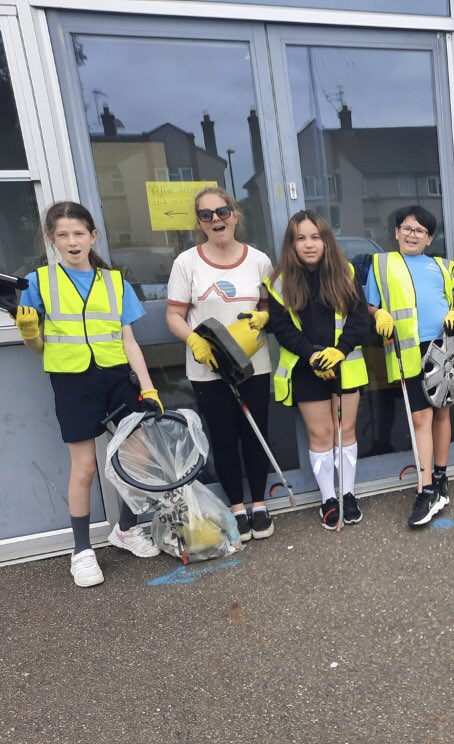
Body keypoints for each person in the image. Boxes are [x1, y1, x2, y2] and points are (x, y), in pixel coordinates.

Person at [14, 201, 163, 587]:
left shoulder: (115, 282)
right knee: (84, 467)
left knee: (137, 458)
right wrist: (31, 334)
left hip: (115, 377)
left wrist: (147, 386)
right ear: (52, 239)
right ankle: (81, 551)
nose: (72, 241)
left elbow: (129, 340)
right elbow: (37, 347)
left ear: (92, 236)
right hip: (72, 381)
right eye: (62, 234)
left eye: (79, 233)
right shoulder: (38, 282)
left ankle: (126, 530)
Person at [165, 186, 275, 542]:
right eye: (206, 214)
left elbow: (270, 306)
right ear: (199, 222)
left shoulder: (259, 260)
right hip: (208, 368)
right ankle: (237, 508)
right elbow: (174, 315)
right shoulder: (187, 262)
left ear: (235, 214)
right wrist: (193, 339)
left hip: (252, 365)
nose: (216, 219)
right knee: (225, 439)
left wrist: (264, 317)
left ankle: (259, 504)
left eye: (222, 211)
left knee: (255, 437)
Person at [266, 210, 370, 529]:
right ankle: (328, 499)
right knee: (321, 434)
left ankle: (348, 494)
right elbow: (282, 328)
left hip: (345, 366)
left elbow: (359, 319)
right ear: (292, 244)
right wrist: (312, 355)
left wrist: (339, 352)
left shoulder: (346, 273)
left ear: (326, 240)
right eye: (301, 238)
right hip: (305, 369)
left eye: (316, 237)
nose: (309, 244)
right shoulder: (279, 282)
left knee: (345, 432)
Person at [366, 205, 454, 527]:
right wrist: (377, 314)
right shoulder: (381, 264)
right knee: (420, 417)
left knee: (443, 411)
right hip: (408, 350)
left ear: (429, 238)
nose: (412, 234)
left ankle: (441, 478)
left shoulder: (442, 266)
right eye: (407, 228)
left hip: (443, 346)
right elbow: (370, 303)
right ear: (396, 232)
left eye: (419, 231)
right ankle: (425, 491)